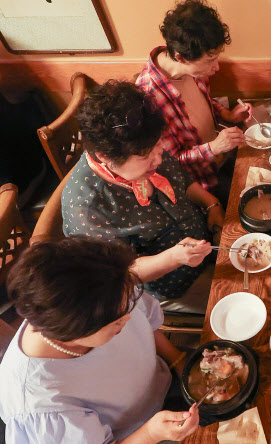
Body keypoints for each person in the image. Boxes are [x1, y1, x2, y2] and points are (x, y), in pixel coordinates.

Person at [0, 237, 200, 444]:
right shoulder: (38, 400)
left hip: (160, 380)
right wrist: (151, 433)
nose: (128, 319)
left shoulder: (102, 294)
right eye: (118, 323)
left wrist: (177, 359)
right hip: (132, 438)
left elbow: (143, 319)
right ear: (75, 333)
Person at [63, 80, 222, 313]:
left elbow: (181, 181)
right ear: (105, 157)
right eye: (146, 156)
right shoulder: (88, 207)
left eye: (159, 146)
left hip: (207, 241)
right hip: (176, 283)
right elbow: (117, 276)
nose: (158, 158)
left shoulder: (143, 141)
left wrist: (212, 204)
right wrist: (174, 258)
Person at [136, 0, 252, 208]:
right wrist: (214, 147)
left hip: (223, 161)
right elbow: (168, 163)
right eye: (210, 61)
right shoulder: (148, 97)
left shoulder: (191, 66)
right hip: (204, 185)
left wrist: (227, 115)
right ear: (180, 57)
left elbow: (200, 103)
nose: (216, 67)